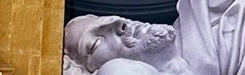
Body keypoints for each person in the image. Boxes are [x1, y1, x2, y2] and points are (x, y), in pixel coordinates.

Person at [62, 15, 191, 75]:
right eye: (96, 42)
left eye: (110, 18)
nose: (122, 23)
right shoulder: (117, 70)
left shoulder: (202, 31)